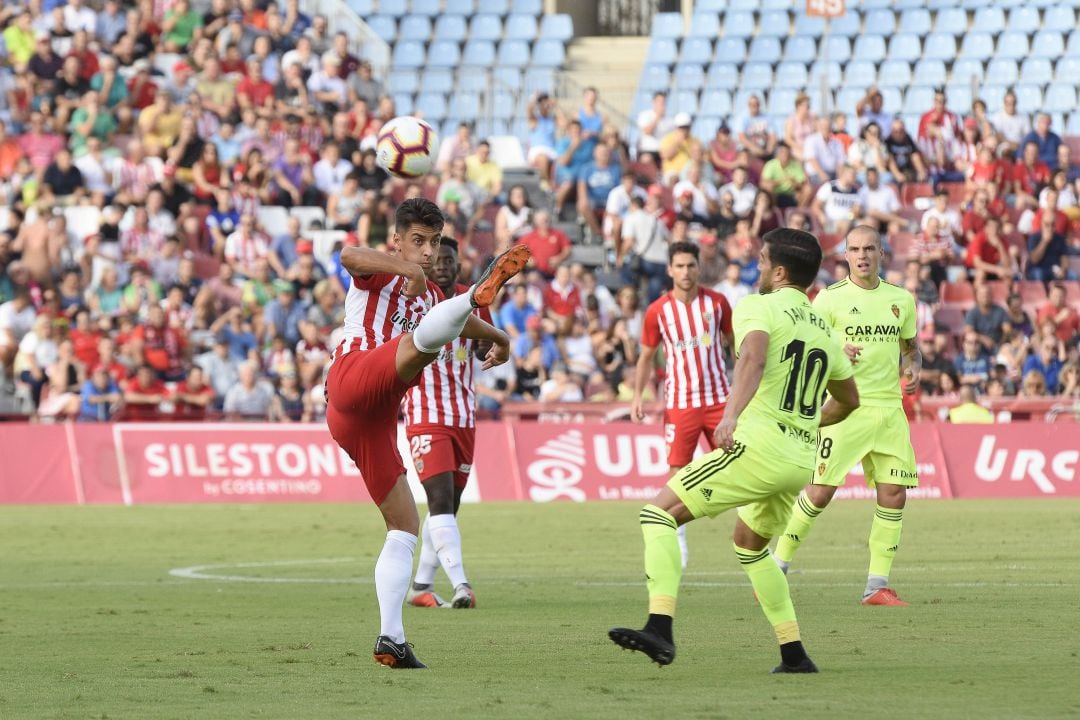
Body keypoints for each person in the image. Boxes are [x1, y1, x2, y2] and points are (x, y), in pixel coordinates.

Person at [609, 228, 859, 672]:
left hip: (758, 447)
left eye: (763, 260)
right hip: (799, 459)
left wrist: (730, 415)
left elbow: (753, 358)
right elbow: (848, 401)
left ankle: (659, 628)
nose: (758, 267)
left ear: (779, 271)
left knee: (657, 514)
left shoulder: (757, 306)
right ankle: (794, 654)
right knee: (750, 547)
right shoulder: (824, 329)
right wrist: (804, 421)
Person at [324, 198, 527, 669]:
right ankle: (475, 292)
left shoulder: (435, 300)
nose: (428, 251)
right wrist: (404, 267)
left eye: (434, 242)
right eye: (418, 241)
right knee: (418, 345)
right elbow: (348, 255)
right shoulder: (383, 269)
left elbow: (459, 323)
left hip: (369, 420)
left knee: (405, 526)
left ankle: (390, 639)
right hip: (354, 378)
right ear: (398, 240)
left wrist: (498, 337)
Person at [774, 225, 919, 606]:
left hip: (889, 410)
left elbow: (910, 348)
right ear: (846, 256)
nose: (862, 255)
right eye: (855, 249)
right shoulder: (828, 300)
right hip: (845, 407)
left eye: (869, 248)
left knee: (893, 494)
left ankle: (876, 585)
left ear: (881, 253)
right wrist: (837, 346)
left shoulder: (901, 299)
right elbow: (804, 343)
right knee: (820, 492)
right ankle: (777, 566)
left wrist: (913, 366)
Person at [403, 238, 493, 610]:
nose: (441, 265)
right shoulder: (415, 300)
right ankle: (462, 586)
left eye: (448, 260)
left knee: (449, 510)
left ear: (458, 265)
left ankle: (421, 586)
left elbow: (486, 347)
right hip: (425, 415)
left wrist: (492, 349)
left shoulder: (474, 303)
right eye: (436, 260)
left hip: (463, 418)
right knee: (439, 502)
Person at [632, 242, 734, 568]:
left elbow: (736, 346)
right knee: (677, 474)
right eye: (679, 266)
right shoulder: (658, 310)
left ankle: (752, 539)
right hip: (681, 403)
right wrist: (637, 396)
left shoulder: (717, 303)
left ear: (698, 268)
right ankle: (678, 543)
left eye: (691, 265)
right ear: (669, 270)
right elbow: (646, 356)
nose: (686, 272)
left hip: (720, 399)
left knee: (741, 465)